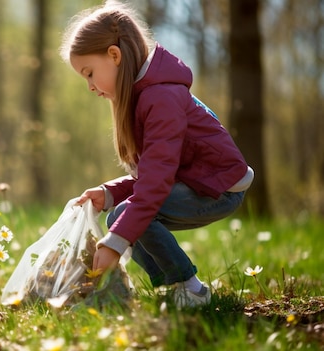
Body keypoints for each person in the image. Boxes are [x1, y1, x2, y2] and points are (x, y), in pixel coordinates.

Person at [60, 2, 254, 308]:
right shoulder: (142, 96)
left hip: (220, 188)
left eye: (90, 73)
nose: (90, 87)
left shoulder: (160, 97)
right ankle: (175, 287)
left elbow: (156, 182)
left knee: (128, 219)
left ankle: (192, 289)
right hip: (196, 181)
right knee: (119, 215)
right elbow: (153, 172)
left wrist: (114, 243)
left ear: (114, 55)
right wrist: (109, 193)